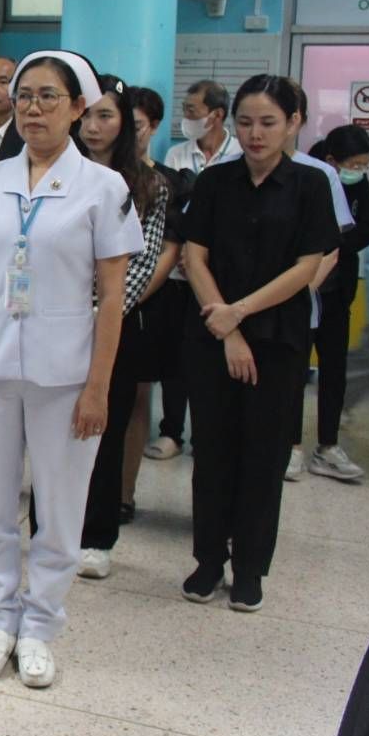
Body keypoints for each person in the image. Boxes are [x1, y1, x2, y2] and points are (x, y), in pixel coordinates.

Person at [0, 50, 143, 688]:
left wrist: (99, 388)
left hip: (66, 373)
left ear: (78, 108)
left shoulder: (105, 189)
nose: (32, 107)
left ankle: (41, 625)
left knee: (59, 507)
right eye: (24, 96)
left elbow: (113, 296)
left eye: (48, 96)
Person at [180, 74, 338, 612]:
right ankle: (207, 561)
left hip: (278, 341)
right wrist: (225, 327)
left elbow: (308, 266)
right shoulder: (214, 183)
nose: (255, 133)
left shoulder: (311, 185)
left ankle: (249, 568)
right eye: (245, 122)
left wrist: (239, 314)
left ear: (293, 123)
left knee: (264, 457)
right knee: (214, 451)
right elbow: (193, 257)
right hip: (214, 337)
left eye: (269, 122)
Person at [70, 75, 174, 579]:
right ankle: (52, 526)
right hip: (53, 322)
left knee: (102, 431)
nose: (92, 126)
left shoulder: (151, 185)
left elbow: (141, 265)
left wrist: (94, 313)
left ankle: (96, 536)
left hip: (114, 324)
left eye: (105, 116)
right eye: (86, 115)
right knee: (53, 431)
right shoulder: (55, 173)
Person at [147, 79, 236, 462]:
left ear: (215, 115)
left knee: (214, 360)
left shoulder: (237, 156)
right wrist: (181, 251)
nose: (186, 117)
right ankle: (171, 431)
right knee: (177, 357)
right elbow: (172, 212)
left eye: (192, 111)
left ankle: (211, 436)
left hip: (224, 276)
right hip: (179, 271)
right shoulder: (178, 154)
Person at [121, 86, 187, 521]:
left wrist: (127, 297)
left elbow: (170, 249)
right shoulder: (91, 174)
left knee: (135, 395)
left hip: (144, 302)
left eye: (136, 126)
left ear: (154, 127)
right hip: (82, 304)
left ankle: (123, 493)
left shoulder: (169, 181)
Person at [304, 126, 369, 482]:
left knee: (334, 371)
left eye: (364, 165)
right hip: (301, 289)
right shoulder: (306, 176)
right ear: (332, 160)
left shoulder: (356, 184)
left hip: (338, 291)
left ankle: (328, 445)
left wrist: (335, 246)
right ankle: (289, 446)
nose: (359, 171)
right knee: (292, 371)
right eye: (354, 164)